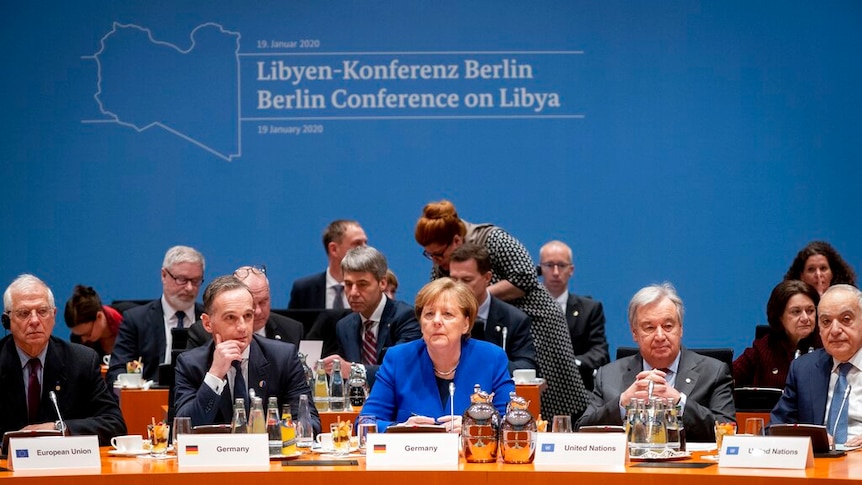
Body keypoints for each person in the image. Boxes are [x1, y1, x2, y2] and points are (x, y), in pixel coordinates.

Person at [414, 199, 588, 419]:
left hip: (535, 319)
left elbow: (525, 276)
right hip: (479, 318)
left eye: (438, 254)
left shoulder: (493, 238)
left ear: (456, 240)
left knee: (547, 391)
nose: (436, 261)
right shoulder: (444, 259)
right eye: (430, 255)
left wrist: (473, 298)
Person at [577, 283, 736, 442]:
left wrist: (679, 403)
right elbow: (581, 430)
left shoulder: (714, 372)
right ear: (635, 333)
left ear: (680, 329)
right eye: (649, 327)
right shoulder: (608, 376)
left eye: (668, 326)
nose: (660, 336)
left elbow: (727, 431)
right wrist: (622, 404)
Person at [361, 278, 515, 432]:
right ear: (421, 324)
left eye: (447, 314)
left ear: (466, 324)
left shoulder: (491, 358)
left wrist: (475, 427)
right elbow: (365, 422)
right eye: (429, 314)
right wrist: (400, 429)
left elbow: (511, 422)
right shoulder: (398, 359)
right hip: (416, 453)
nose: (436, 321)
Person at [174, 275, 321, 433]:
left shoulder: (282, 357)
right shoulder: (190, 364)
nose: (243, 327)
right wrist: (215, 375)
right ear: (207, 323)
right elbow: (184, 429)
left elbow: (311, 421)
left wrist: (292, 430)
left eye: (247, 316)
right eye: (231, 318)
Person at [0, 275, 126, 446]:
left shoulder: (82, 361)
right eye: (24, 313)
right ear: (7, 321)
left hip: (63, 466)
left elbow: (114, 425)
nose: (35, 321)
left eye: (43, 311)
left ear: (53, 315)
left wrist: (60, 428)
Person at [771, 284, 862, 446]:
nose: (834, 330)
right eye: (826, 321)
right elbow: (775, 429)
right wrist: (804, 439)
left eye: (846, 319)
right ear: (819, 329)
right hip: (818, 465)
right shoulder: (803, 369)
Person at [323, 246, 421, 387]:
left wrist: (353, 370)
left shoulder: (406, 317)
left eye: (362, 284)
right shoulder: (344, 326)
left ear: (382, 283)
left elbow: (401, 370)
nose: (353, 293)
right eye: (348, 284)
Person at [108, 245, 205, 384]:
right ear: (164, 275)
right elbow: (117, 371)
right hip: (149, 400)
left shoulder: (210, 320)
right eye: (182, 279)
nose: (189, 288)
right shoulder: (135, 320)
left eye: (195, 281)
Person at [449, 243, 537, 373]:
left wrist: (489, 360)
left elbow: (527, 366)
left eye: (466, 280)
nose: (459, 287)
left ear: (487, 278)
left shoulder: (515, 320)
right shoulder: (439, 316)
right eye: (454, 279)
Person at [539, 240, 610, 390]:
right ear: (540, 269)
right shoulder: (526, 309)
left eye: (562, 265)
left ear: (571, 270)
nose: (556, 272)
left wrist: (570, 365)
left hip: (577, 387)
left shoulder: (590, 309)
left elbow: (600, 352)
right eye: (550, 265)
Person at [187, 265, 303, 348]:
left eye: (263, 302)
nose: (257, 311)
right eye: (252, 304)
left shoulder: (292, 330)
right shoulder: (202, 333)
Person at [733, 280, 821, 388]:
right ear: (780, 317)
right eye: (796, 312)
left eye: (810, 311)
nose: (805, 318)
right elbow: (725, 380)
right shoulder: (764, 348)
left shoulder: (826, 345)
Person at [288, 220, 367, 309]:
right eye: (357, 243)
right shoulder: (304, 290)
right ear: (334, 249)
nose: (366, 249)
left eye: (365, 243)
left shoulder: (372, 288)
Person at [64, 284, 123, 359]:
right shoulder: (77, 339)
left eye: (88, 333)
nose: (84, 340)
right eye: (79, 335)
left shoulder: (132, 321)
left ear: (99, 316)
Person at [784, 240, 857, 295]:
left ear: (833, 273)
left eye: (823, 268)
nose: (818, 274)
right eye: (811, 269)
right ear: (801, 276)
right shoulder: (793, 303)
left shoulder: (849, 300)